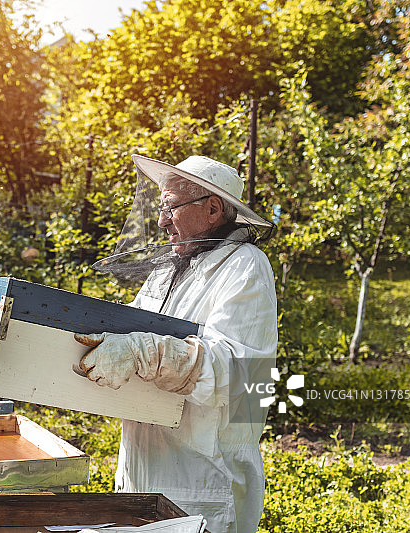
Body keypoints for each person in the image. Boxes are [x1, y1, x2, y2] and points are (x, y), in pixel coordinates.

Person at [74, 154, 277, 533]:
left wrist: (143, 353)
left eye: (171, 208)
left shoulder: (246, 266)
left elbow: (240, 375)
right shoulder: (166, 271)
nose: (162, 221)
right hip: (140, 473)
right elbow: (128, 330)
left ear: (213, 208)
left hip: (203, 481)